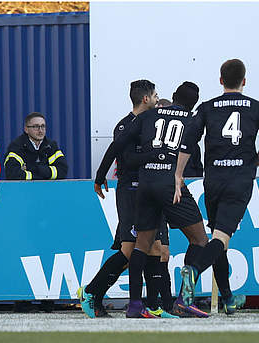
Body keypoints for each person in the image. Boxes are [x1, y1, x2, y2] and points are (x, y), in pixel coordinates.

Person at [84, 81, 201, 319]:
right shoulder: (127, 124)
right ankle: (91, 293)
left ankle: (157, 305)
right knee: (131, 250)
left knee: (159, 250)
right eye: (156, 96)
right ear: (146, 98)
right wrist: (157, 155)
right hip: (131, 191)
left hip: (151, 189)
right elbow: (126, 158)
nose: (159, 100)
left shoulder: (153, 121)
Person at [175, 58, 259, 314]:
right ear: (244, 81)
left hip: (214, 178)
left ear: (221, 81)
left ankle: (229, 298)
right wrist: (253, 163)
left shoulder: (208, 107)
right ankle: (194, 270)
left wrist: (178, 175)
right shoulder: (255, 107)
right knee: (221, 238)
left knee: (219, 238)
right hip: (238, 179)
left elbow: (188, 142)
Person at [3, 112, 69, 180]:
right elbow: (12, 174)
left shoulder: (50, 146)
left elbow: (62, 171)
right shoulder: (17, 146)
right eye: (36, 126)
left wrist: (31, 168)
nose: (40, 130)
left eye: (43, 126)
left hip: (47, 189)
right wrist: (44, 173)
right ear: (26, 129)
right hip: (24, 189)